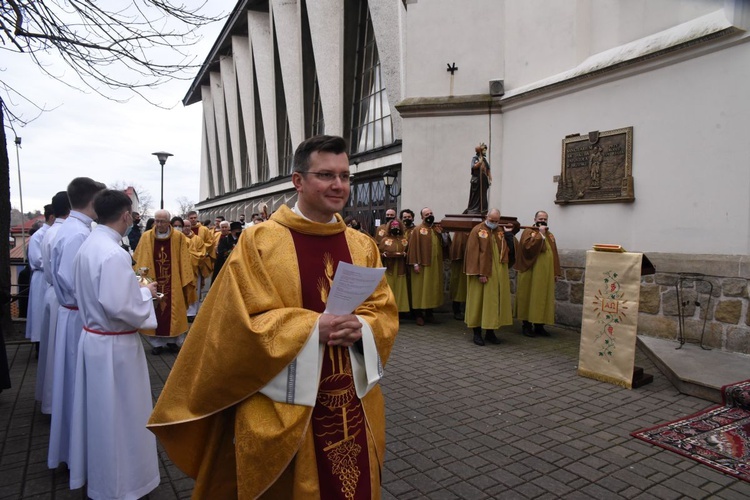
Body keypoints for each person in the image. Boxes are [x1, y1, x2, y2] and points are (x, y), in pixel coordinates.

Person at [148, 135, 398, 498]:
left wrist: (362, 326)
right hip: (285, 403)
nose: (339, 185)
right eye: (326, 175)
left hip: (352, 402)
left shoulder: (362, 244)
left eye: (345, 176)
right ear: (298, 181)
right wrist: (313, 327)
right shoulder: (260, 242)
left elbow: (383, 309)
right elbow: (235, 323)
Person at [68, 190, 160, 500]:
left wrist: (134, 288)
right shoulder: (113, 253)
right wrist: (147, 292)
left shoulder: (89, 245)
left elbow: (102, 294)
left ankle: (102, 477)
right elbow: (123, 308)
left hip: (94, 339)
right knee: (123, 417)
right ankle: (124, 485)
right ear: (125, 215)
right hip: (115, 348)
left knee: (100, 415)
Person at [48, 177, 106, 469]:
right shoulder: (77, 236)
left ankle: (75, 451)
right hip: (76, 315)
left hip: (71, 314)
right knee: (76, 388)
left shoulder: (70, 229)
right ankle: (78, 455)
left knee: (72, 385)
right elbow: (74, 283)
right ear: (93, 201)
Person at [132, 209, 196, 355]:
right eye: (156, 220)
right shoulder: (146, 237)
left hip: (173, 281)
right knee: (155, 310)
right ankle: (156, 344)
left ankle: (172, 342)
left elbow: (184, 260)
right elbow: (139, 258)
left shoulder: (178, 237)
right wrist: (143, 280)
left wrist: (184, 278)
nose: (158, 224)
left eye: (162, 221)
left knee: (174, 310)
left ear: (168, 222)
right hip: (152, 279)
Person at [464, 209, 517, 346]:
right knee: (479, 302)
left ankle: (490, 332)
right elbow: (473, 253)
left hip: (497, 274)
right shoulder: (477, 230)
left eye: (496, 221)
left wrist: (509, 234)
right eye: (492, 220)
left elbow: (508, 250)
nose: (493, 223)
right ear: (486, 217)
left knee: (493, 303)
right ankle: (476, 333)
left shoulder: (500, 231)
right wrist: (480, 273)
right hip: (482, 274)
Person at [38, 192, 70, 414]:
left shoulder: (50, 231)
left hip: (52, 293)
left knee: (51, 352)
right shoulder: (66, 232)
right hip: (63, 297)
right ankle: (58, 402)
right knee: (60, 353)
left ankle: (49, 399)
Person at [514, 210, 562, 337]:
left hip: (545, 274)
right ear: (535, 219)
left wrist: (556, 272)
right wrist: (540, 235)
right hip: (531, 272)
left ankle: (540, 325)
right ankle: (527, 325)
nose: (543, 220)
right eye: (540, 218)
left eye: (545, 218)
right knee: (529, 297)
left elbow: (554, 253)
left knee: (542, 298)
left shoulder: (550, 235)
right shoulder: (528, 232)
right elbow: (527, 248)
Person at [407, 207, 449, 326]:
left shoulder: (436, 229)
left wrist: (443, 234)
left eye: (431, 213)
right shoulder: (418, 230)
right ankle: (418, 315)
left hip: (434, 266)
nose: (429, 216)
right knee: (420, 290)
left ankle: (430, 314)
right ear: (422, 217)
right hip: (422, 265)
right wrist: (415, 263)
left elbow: (445, 244)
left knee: (431, 289)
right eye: (426, 214)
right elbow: (413, 247)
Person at [25, 205, 54, 345]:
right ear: (52, 217)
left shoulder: (54, 232)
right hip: (42, 276)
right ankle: (39, 344)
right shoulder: (39, 235)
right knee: (40, 312)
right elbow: (37, 259)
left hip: (50, 275)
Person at [175, 217, 208, 320]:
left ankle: (192, 313)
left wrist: (191, 257)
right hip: (181, 270)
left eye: (188, 226)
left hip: (194, 270)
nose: (186, 228)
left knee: (194, 289)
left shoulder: (197, 239)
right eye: (184, 226)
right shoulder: (177, 239)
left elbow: (202, 254)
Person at [378, 219, 410, 313]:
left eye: (397, 226)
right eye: (393, 226)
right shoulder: (385, 240)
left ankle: (400, 310)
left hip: (401, 268)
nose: (395, 228)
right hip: (389, 268)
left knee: (401, 288)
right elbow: (379, 252)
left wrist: (405, 254)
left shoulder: (404, 240)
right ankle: (388, 310)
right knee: (389, 288)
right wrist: (383, 255)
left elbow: (409, 251)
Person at [464, 143, 492, 215]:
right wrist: (479, 163)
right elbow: (473, 166)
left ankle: (483, 208)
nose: (485, 152)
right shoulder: (475, 158)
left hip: (483, 181)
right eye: (484, 150)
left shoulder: (485, 160)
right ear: (480, 151)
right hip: (477, 181)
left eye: (485, 150)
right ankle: (474, 209)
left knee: (483, 196)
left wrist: (490, 178)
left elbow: (488, 169)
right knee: (475, 196)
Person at [449, 230, 469, 321]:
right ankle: (457, 310)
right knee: (458, 288)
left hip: (471, 264)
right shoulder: (460, 231)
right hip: (460, 264)